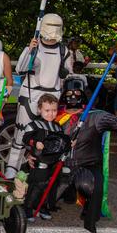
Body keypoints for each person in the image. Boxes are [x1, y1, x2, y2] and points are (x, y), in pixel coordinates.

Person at [51, 77, 117, 233]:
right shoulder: (53, 115)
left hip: (85, 166)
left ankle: (89, 215)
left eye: (77, 92)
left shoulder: (96, 116)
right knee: (40, 194)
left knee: (91, 186)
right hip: (57, 167)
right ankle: (64, 194)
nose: (73, 96)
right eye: (69, 93)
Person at [5, 13, 70, 179]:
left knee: (49, 134)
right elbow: (20, 69)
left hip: (52, 96)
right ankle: (13, 166)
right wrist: (30, 50)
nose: (54, 31)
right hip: (30, 94)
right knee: (21, 131)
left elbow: (65, 75)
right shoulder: (33, 47)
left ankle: (46, 166)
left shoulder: (64, 51)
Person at [21, 94, 69, 221]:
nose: (50, 114)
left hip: (54, 163)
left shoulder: (57, 127)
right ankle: (28, 208)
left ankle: (43, 207)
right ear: (39, 110)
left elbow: (61, 142)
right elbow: (25, 139)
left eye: (54, 110)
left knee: (51, 186)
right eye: (47, 110)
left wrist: (69, 144)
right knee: (37, 186)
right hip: (40, 161)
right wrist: (35, 143)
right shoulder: (34, 125)